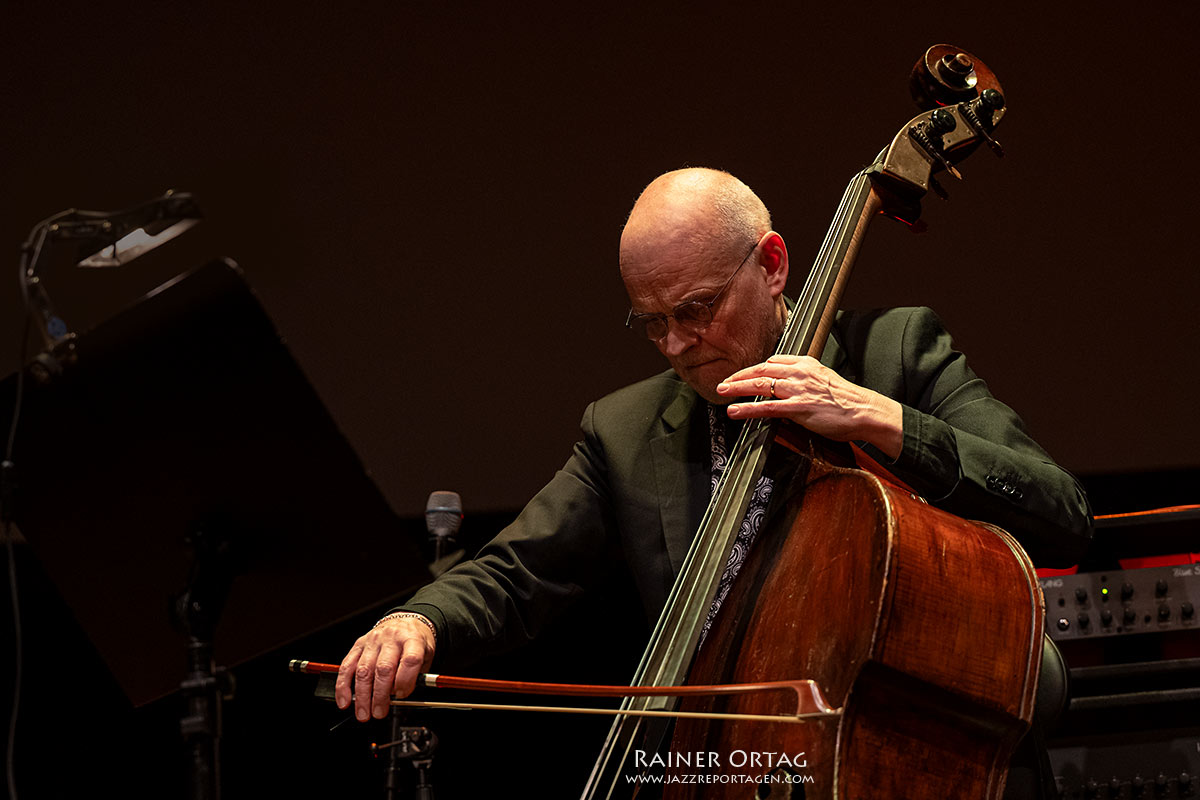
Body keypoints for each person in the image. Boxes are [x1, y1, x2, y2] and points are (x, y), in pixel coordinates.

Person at [335, 167, 1092, 795]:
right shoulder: (624, 431)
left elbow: (1060, 510)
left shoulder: (897, 354)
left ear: (772, 264)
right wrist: (419, 622)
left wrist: (881, 418)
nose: (676, 345)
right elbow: (515, 571)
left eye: (696, 310)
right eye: (651, 322)